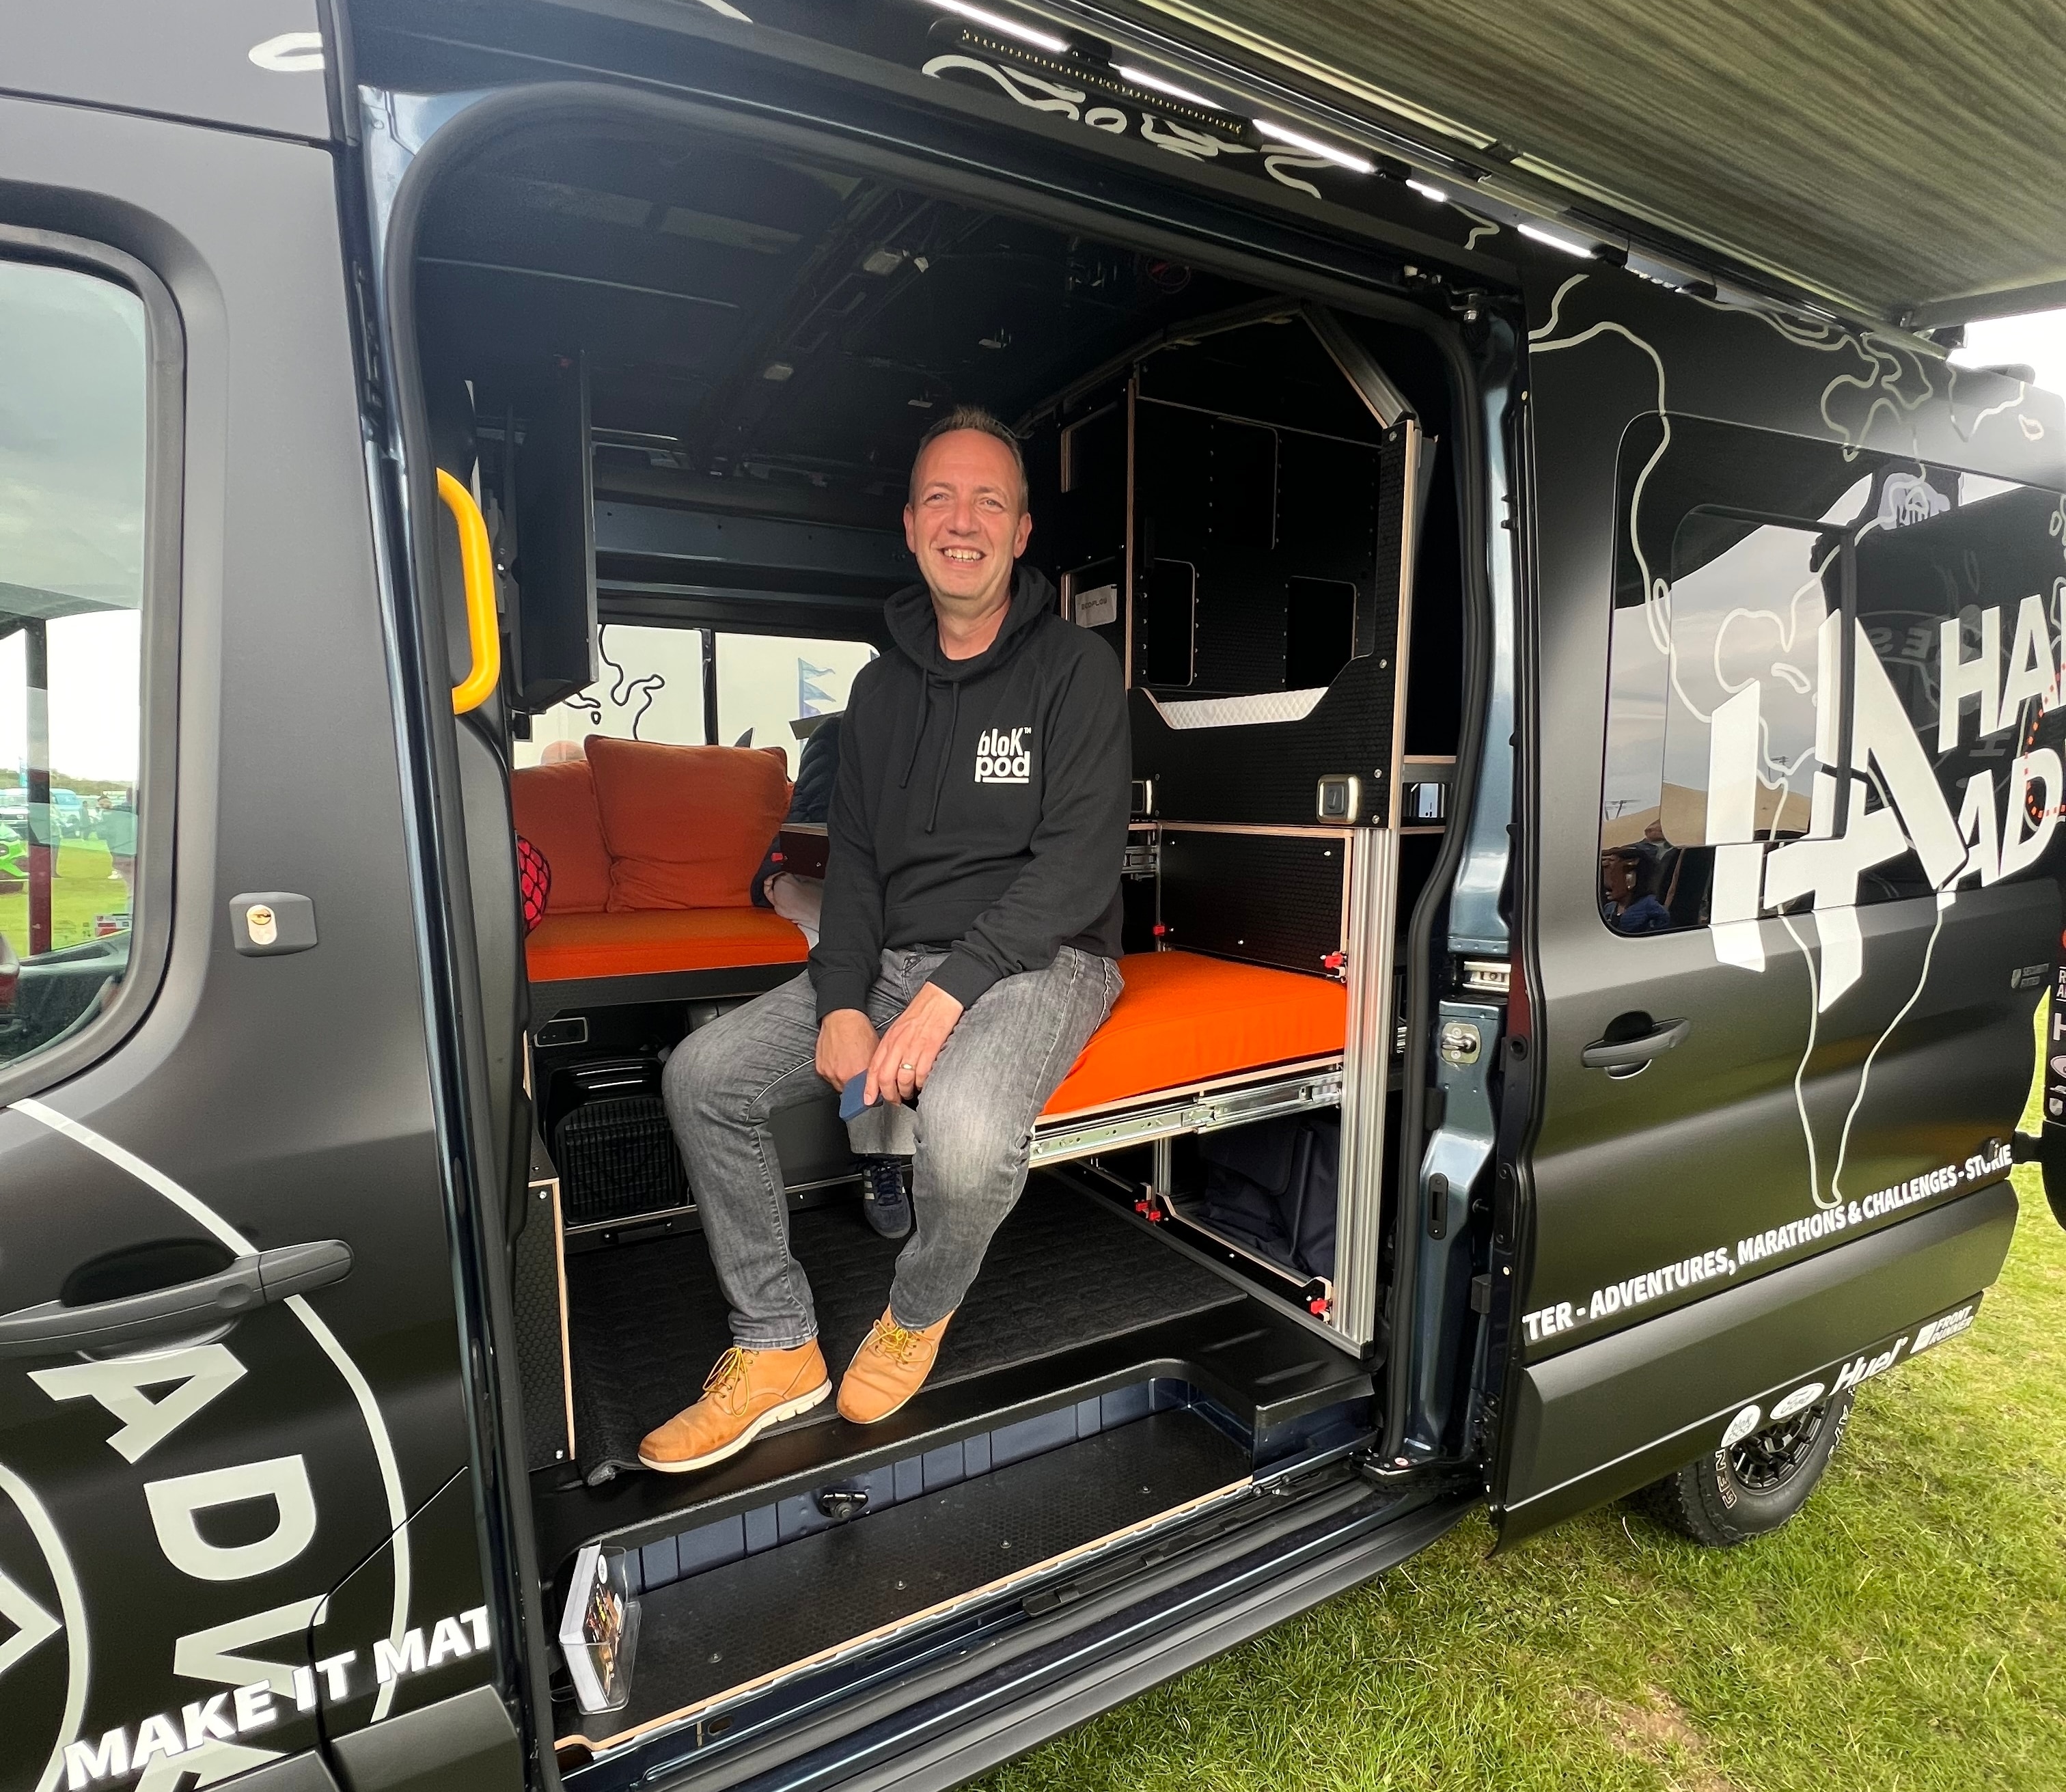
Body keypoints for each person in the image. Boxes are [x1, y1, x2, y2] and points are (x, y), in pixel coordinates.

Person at [641, 405, 1129, 1473]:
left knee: (962, 1138)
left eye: (989, 501)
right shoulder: (876, 691)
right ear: (910, 527)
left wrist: (945, 997)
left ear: (1022, 528)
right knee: (701, 1075)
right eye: (942, 500)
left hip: (1047, 957)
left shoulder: (1074, 671)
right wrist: (851, 997)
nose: (965, 521)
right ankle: (776, 1347)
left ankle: (916, 1309)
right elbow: (853, 868)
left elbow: (1075, 870)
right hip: (901, 956)